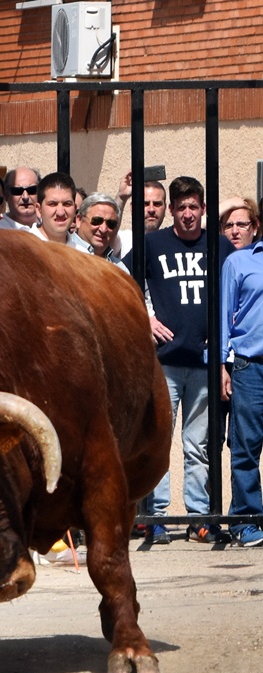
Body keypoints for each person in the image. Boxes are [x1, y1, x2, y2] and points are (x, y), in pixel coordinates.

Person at [130, 176, 237, 545]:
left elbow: (236, 288)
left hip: (205, 362)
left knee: (198, 446)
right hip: (164, 362)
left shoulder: (220, 245)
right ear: (172, 211)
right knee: (158, 441)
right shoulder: (152, 244)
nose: (188, 214)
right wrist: (145, 317)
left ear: (203, 209)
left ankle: (198, 517)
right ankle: (156, 518)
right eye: (181, 208)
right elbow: (122, 279)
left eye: (194, 207)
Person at [220, 235, 263, 546]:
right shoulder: (239, 261)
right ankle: (246, 520)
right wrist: (221, 364)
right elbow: (223, 315)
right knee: (246, 446)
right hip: (250, 365)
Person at [69, 192, 127, 272]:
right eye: (97, 221)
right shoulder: (62, 254)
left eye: (111, 223)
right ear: (79, 220)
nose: (103, 229)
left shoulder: (120, 268)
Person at [115, 176, 168, 258]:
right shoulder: (124, 240)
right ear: (133, 208)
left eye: (157, 204)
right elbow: (109, 234)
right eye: (145, 204)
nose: (151, 210)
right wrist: (121, 198)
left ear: (165, 208)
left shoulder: (170, 243)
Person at [29, 172, 77, 244]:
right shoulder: (20, 247)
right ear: (39, 210)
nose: (60, 213)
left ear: (75, 210)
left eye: (67, 204)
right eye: (53, 204)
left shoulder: (81, 250)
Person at [0, 166, 40, 230]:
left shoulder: (51, 227)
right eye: (17, 191)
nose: (25, 197)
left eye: (32, 190)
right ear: (6, 195)